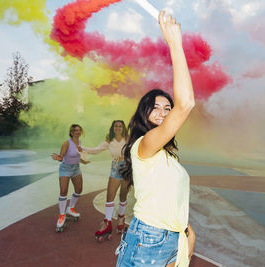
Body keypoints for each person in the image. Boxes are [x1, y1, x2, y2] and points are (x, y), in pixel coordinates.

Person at [115, 11, 196, 267]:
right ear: (144, 113)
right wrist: (175, 44)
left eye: (167, 108)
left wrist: (186, 230)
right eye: (156, 107)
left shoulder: (166, 154)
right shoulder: (145, 144)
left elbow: (167, 196)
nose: (163, 112)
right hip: (148, 239)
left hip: (170, 238)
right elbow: (187, 103)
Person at [81, 120, 129, 240]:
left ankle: (121, 219)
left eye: (120, 126)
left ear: (123, 128)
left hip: (127, 169)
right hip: (115, 169)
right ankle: (107, 222)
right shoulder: (109, 141)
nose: (118, 128)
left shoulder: (129, 139)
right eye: (116, 126)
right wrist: (81, 148)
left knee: (123, 196)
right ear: (113, 128)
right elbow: (95, 150)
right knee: (110, 196)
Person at [52, 124, 89, 232]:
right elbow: (61, 157)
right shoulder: (66, 143)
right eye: (75, 130)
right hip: (65, 169)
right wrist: (58, 157)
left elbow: (78, 157)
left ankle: (70, 208)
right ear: (71, 132)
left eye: (79, 130)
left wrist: (84, 161)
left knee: (79, 190)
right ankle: (62, 215)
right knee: (63, 191)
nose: (77, 132)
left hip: (76, 169)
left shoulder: (80, 143)